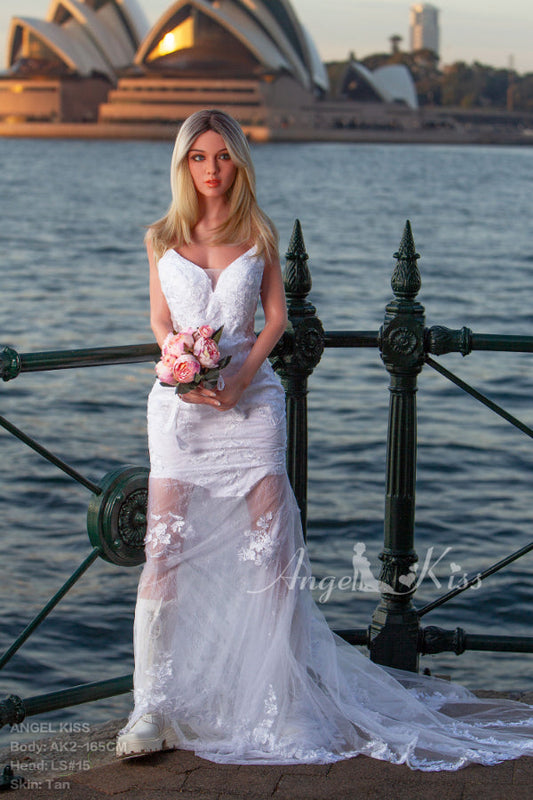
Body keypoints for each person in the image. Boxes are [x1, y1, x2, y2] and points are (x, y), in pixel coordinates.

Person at [116, 109, 533, 769]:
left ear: (239, 162)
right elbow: (160, 319)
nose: (212, 170)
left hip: (251, 405)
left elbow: (276, 320)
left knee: (269, 552)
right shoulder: (160, 236)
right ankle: (152, 707)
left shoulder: (257, 232)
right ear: (182, 165)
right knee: (163, 552)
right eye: (198, 157)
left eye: (222, 156)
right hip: (182, 412)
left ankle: (276, 700)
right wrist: (180, 367)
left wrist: (239, 377)